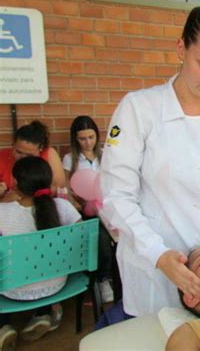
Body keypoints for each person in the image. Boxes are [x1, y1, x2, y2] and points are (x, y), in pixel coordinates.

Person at [100, 2, 200, 318]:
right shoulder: (139, 109)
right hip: (155, 274)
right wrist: (158, 255)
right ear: (181, 49)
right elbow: (116, 196)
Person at [0, 156, 81, 348]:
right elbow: (80, 237)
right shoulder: (64, 207)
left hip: (13, 289)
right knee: (39, 266)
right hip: (56, 283)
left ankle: (3, 326)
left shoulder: (2, 212)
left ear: (17, 184)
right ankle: (43, 313)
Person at [62, 116, 114, 303]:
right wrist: (74, 199)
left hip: (106, 206)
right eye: (82, 138)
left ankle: (110, 278)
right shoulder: (70, 159)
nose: (87, 142)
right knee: (99, 240)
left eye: (91, 137)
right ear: (75, 139)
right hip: (84, 209)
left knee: (115, 239)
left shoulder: (105, 155)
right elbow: (66, 186)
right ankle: (100, 280)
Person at [0, 120, 66, 202]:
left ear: (41, 149)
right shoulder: (2, 156)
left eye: (29, 155)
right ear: (13, 145)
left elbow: (59, 189)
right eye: (19, 152)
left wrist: (23, 197)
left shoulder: (49, 154)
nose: (23, 157)